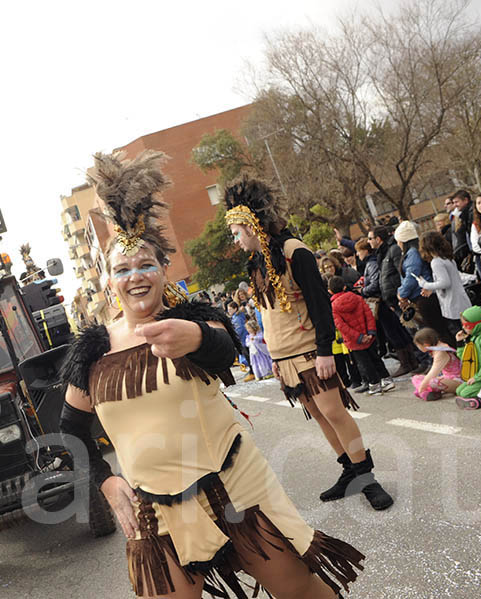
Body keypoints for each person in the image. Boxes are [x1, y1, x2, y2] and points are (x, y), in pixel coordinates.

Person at [59, 152, 364, 599]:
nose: (135, 276)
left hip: (234, 485)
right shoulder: (93, 350)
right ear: (109, 282)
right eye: (122, 270)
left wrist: (195, 337)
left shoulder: (194, 317)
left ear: (164, 270)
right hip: (155, 508)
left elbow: (225, 350)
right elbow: (70, 428)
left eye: (145, 265)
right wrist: (105, 480)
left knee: (300, 591)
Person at [224, 177, 393, 512]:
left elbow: (319, 303)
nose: (235, 239)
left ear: (251, 225)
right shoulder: (256, 262)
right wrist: (273, 355)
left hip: (310, 350)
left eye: (236, 232)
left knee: (334, 411)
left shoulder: (293, 251)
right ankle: (349, 470)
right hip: (284, 354)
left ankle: (367, 477)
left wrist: (325, 351)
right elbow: (270, 312)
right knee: (317, 414)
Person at [328, 276, 395, 395]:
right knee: (375, 358)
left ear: (330, 291)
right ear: (344, 287)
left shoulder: (333, 307)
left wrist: (358, 337)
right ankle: (387, 380)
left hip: (354, 341)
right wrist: (370, 332)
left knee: (364, 363)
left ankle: (374, 385)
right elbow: (369, 314)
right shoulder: (358, 298)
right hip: (368, 335)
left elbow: (342, 326)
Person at [394, 220, 455, 347]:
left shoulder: (412, 254)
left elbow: (412, 276)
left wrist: (401, 293)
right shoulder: (414, 252)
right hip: (424, 296)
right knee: (440, 330)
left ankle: (452, 359)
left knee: (438, 331)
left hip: (424, 296)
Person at [369, 226, 420, 375]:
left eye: (370, 238)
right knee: (406, 330)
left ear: (378, 239)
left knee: (412, 328)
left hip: (401, 297)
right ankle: (410, 361)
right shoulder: (382, 253)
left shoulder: (392, 250)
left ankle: (421, 360)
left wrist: (401, 294)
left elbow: (400, 273)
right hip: (391, 299)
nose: (369, 241)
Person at [417, 231, 472, 337]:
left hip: (452, 304)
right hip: (461, 300)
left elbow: (445, 282)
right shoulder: (447, 258)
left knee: (459, 333)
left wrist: (425, 284)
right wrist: (432, 288)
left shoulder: (436, 262)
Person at [410, 328, 463, 401]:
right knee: (416, 378)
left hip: (458, 380)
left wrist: (421, 388)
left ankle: (426, 392)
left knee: (431, 381)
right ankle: (428, 392)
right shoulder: (437, 348)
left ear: (425, 344)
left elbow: (433, 373)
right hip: (446, 377)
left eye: (418, 345)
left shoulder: (440, 352)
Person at [451, 189, 475, 273]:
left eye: (456, 202)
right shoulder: (464, 214)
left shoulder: (472, 212)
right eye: (453, 203)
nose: (455, 205)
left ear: (465, 200)